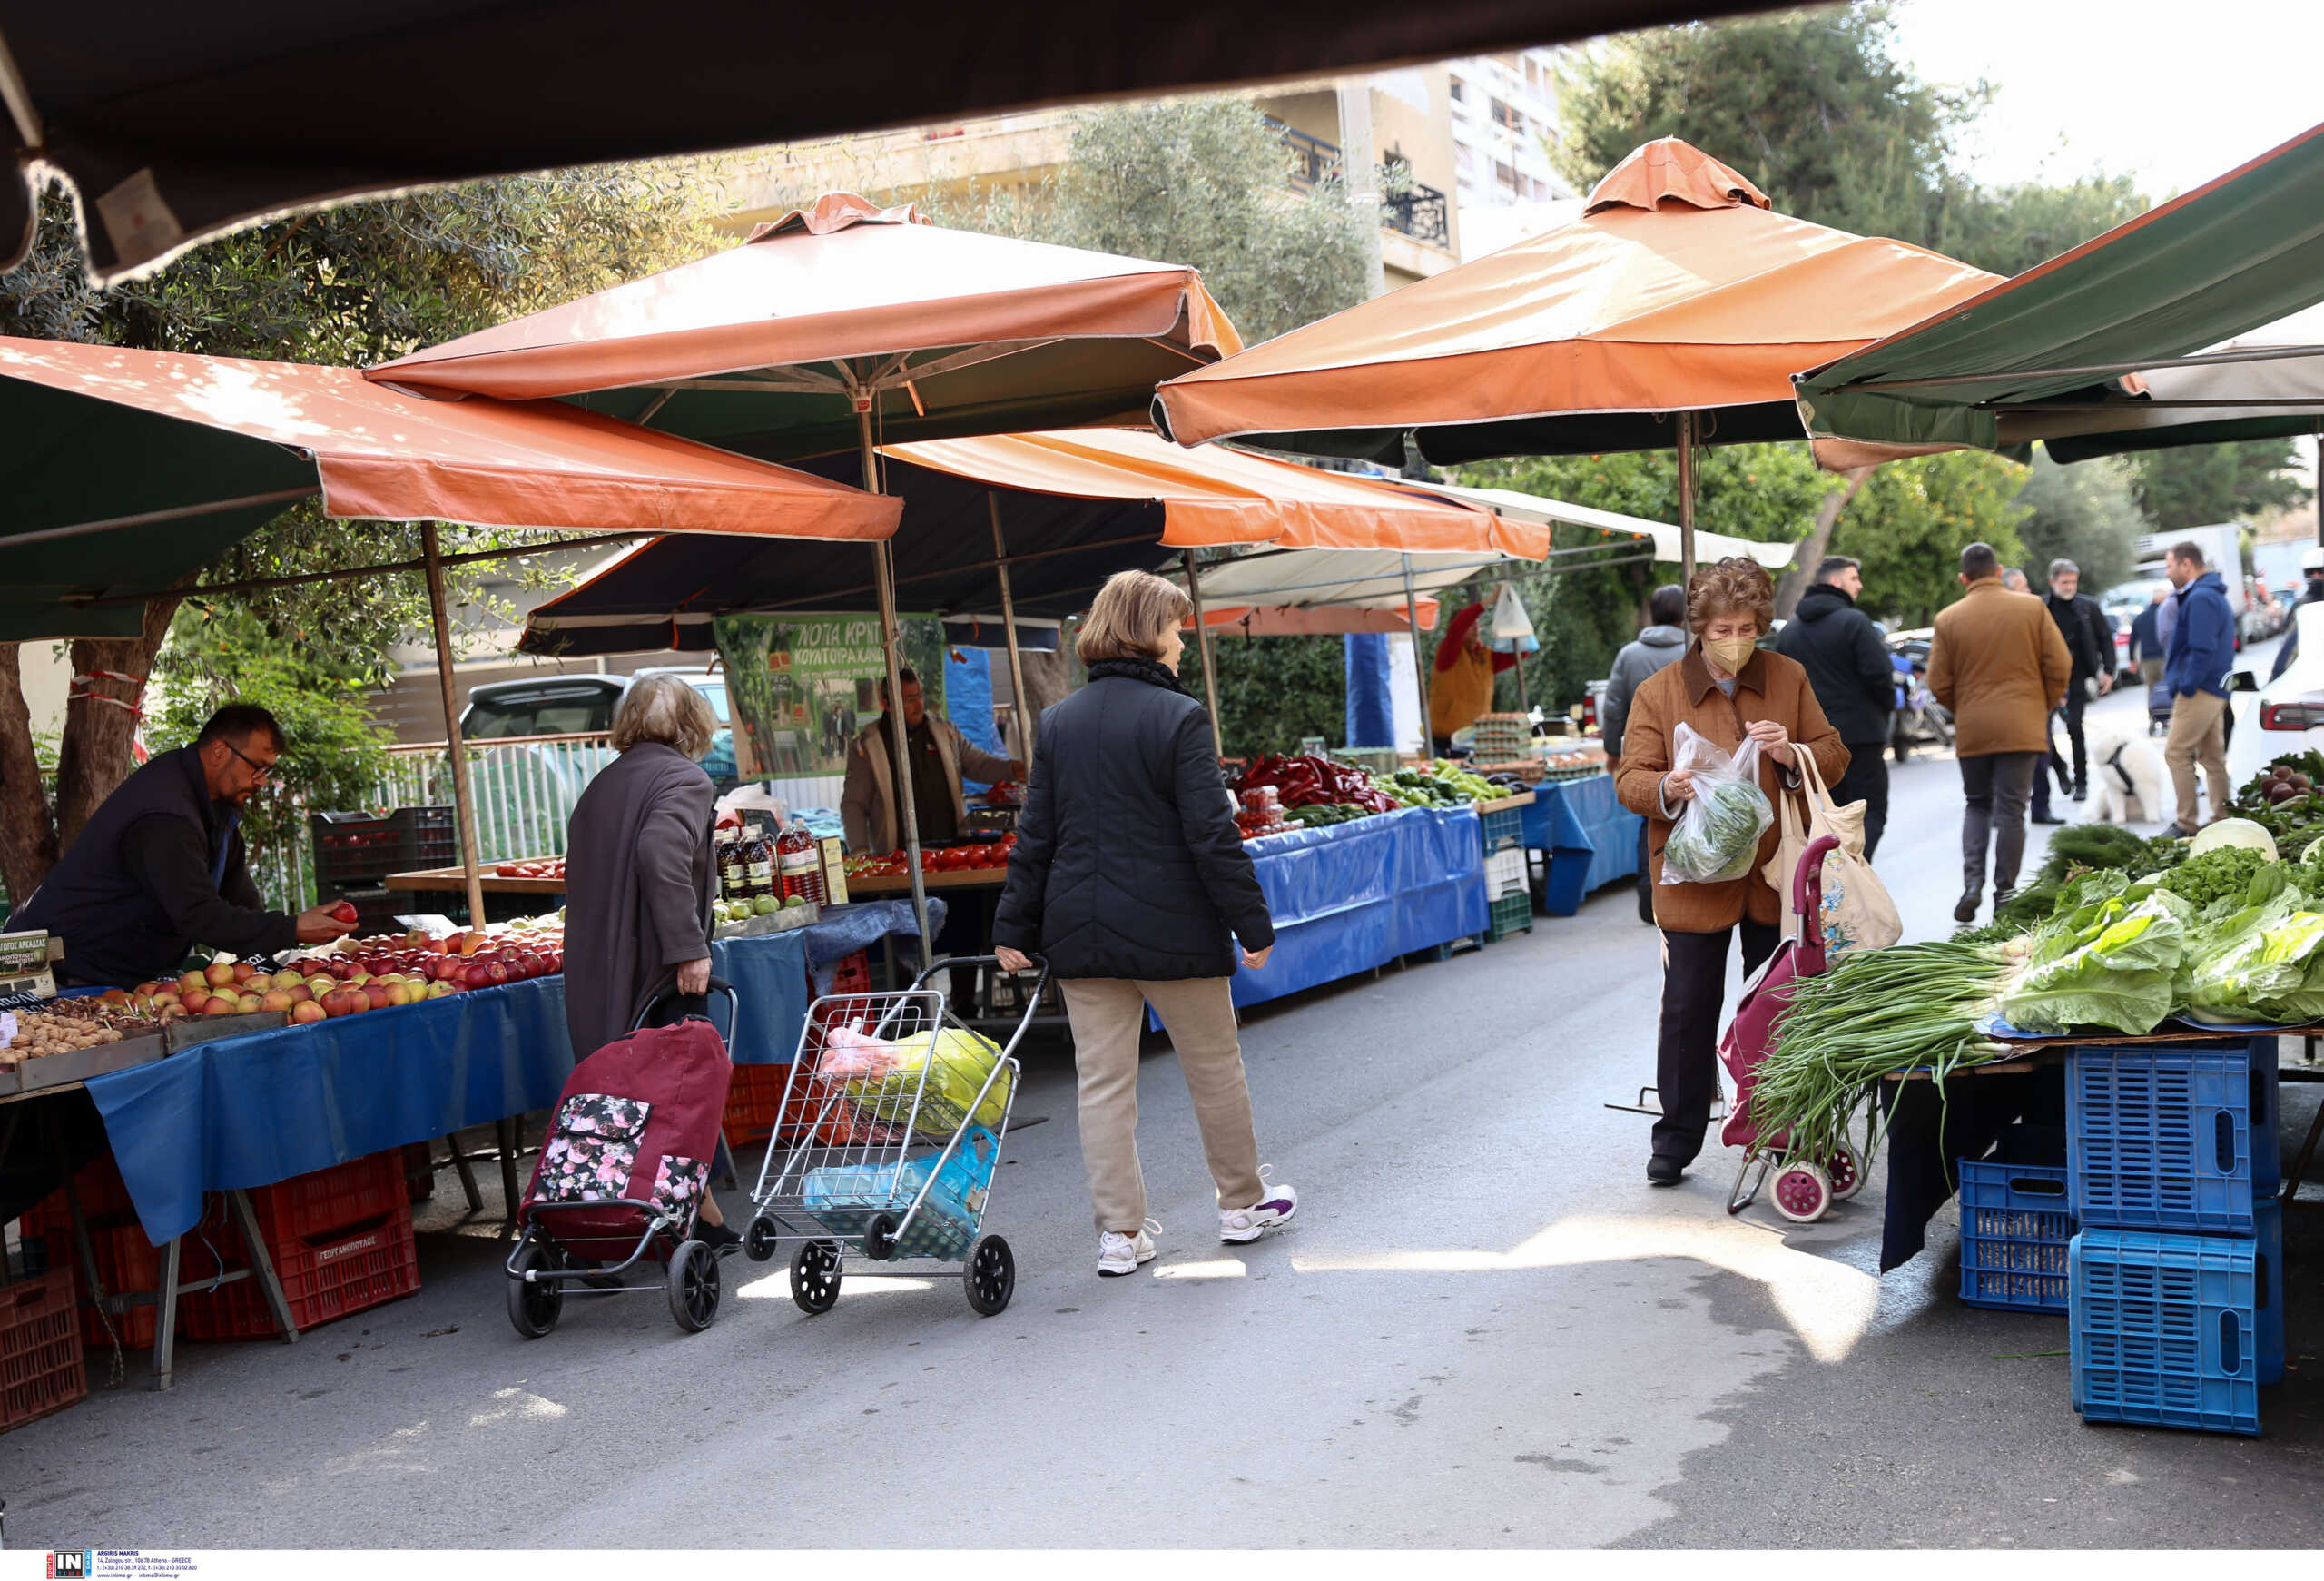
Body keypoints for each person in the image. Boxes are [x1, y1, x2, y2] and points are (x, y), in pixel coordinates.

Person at [991, 570, 1295, 1276]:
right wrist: (1253, 924)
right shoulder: (1179, 718)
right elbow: (1211, 836)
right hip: (1174, 933)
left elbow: (1035, 834)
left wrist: (1012, 924)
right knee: (1214, 1071)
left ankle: (1120, 1237)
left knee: (1102, 1085)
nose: (1183, 640)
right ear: (1148, 630)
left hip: (1083, 932)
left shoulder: (1059, 721)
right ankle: (1241, 1204)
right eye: (1177, 626)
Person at [1613, 558, 1847, 1189]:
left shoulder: (1787, 676)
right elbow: (1628, 779)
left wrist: (1790, 752)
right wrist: (1667, 785)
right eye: (1722, 628)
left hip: (1773, 876)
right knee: (1689, 1008)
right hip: (1695, 879)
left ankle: (1781, 1124)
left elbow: (1835, 752)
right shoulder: (1659, 691)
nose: (1736, 639)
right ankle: (1677, 1137)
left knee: (1776, 1006)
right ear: (1699, 628)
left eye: (1747, 626)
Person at [5, 704, 358, 987]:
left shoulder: (214, 806)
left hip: (110, 971)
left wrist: (279, 959)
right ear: (220, 751)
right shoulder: (164, 813)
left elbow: (238, 893)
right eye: (257, 768)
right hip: (54, 970)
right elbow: (199, 916)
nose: (261, 782)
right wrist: (292, 926)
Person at [561, 675, 734, 1242]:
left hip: (597, 967)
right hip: (655, 971)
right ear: (693, 725)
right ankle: (677, 1221)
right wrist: (689, 947)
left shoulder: (602, 785)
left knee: (614, 1101)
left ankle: (633, 1220)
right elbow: (659, 852)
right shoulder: (686, 779)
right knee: (676, 1096)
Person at [1928, 542, 2072, 924]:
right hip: (2023, 725)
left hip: (1973, 728)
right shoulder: (2031, 608)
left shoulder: (1947, 619)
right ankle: (2005, 894)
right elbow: (2060, 664)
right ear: (1999, 570)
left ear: (1963, 579)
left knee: (1977, 804)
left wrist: (1967, 709)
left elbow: (1938, 682)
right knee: (2012, 810)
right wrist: (2041, 703)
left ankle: (1971, 885)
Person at [1767, 555, 1896, 857]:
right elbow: (1880, 676)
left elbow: (1781, 687)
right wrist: (1883, 709)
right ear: (1836, 582)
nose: (1860, 585)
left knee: (1832, 813)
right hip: (1861, 738)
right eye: (1854, 578)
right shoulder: (1855, 623)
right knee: (1870, 810)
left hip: (1816, 744)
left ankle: (1836, 873)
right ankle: (1851, 871)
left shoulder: (1790, 632)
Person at [841, 667, 1022, 854]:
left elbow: (979, 764)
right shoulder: (868, 746)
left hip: (951, 852)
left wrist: (1012, 769)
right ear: (887, 704)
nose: (919, 704)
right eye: (910, 699)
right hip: (898, 858)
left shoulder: (945, 732)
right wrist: (860, 852)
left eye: (920, 695)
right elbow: (854, 805)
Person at [1602, 584, 1689, 924]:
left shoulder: (1629, 654)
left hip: (1645, 752)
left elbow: (1613, 707)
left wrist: (1613, 749)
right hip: (1692, 753)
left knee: (1650, 822)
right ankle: (1694, 889)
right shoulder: (1693, 650)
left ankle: (1647, 896)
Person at [2031, 558, 2114, 824]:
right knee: (2043, 734)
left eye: (2073, 582)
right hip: (2045, 681)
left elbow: (2105, 639)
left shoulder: (2088, 607)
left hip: (2077, 678)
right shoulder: (2039, 608)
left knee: (2075, 728)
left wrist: (2108, 671)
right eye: (2064, 582)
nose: (2069, 587)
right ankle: (2060, 768)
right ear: (2052, 582)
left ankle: (2081, 782)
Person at [2162, 539, 2236, 837]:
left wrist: (2187, 684)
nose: (2167, 573)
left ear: (2186, 564)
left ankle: (2185, 824)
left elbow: (2202, 648)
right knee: (2212, 757)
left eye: (2169, 566)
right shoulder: (2208, 594)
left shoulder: (2201, 598)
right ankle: (2222, 817)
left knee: (2176, 752)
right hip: (2213, 687)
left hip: (2200, 688)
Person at [1428, 601, 1516, 754]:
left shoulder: (1485, 655)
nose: (1476, 629)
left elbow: (1521, 653)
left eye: (1478, 625)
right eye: (1470, 625)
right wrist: (1491, 599)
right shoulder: (1448, 653)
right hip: (1446, 741)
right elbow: (1457, 627)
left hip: (1477, 740)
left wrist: (1515, 616)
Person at [2267, 547, 2324, 683]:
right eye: (2310, 572)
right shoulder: (2300, 607)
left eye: (2321, 571)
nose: (2315, 576)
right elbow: (2287, 647)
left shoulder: (2301, 606)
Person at [2131, 583, 2170, 686]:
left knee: (2153, 690)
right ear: (2162, 599)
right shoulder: (2165, 615)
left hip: (2147, 659)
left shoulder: (2140, 618)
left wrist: (2132, 660)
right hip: (2164, 657)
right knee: (2167, 688)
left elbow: (2132, 640)